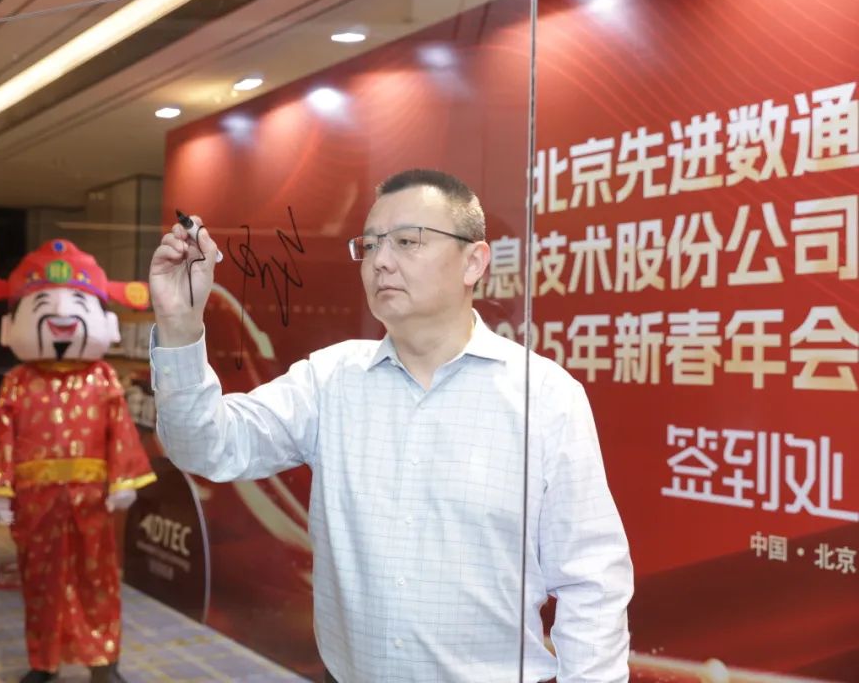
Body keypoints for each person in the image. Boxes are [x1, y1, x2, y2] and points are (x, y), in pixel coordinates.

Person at [149, 169, 634, 682]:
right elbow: (204, 446)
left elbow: (591, 582)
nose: (380, 260)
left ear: (474, 261)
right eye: (371, 244)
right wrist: (180, 325)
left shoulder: (545, 397)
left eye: (406, 241)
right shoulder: (330, 379)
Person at [0, 239, 155, 683]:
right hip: (36, 503)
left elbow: (119, 432)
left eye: (78, 305)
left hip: (92, 501)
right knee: (41, 581)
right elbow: (2, 438)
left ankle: (103, 661)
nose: (62, 317)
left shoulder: (103, 377)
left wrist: (123, 480)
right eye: (44, 306)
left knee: (98, 578)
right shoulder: (17, 381)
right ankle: (43, 661)